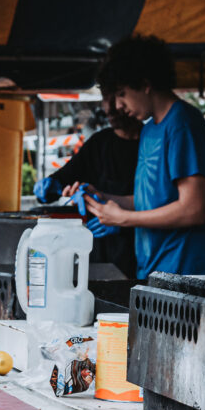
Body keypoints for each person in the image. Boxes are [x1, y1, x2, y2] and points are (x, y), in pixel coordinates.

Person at [82, 35, 205, 279]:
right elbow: (152, 200)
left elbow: (193, 209)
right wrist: (104, 198)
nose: (118, 106)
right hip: (154, 269)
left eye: (122, 94)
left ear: (145, 84)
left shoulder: (182, 124)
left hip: (186, 273)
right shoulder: (149, 129)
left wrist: (124, 218)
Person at [34, 99, 141, 277]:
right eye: (106, 99)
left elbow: (158, 204)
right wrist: (51, 186)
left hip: (139, 251)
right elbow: (66, 178)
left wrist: (124, 224)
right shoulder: (100, 143)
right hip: (99, 252)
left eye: (118, 97)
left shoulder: (149, 144)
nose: (110, 108)